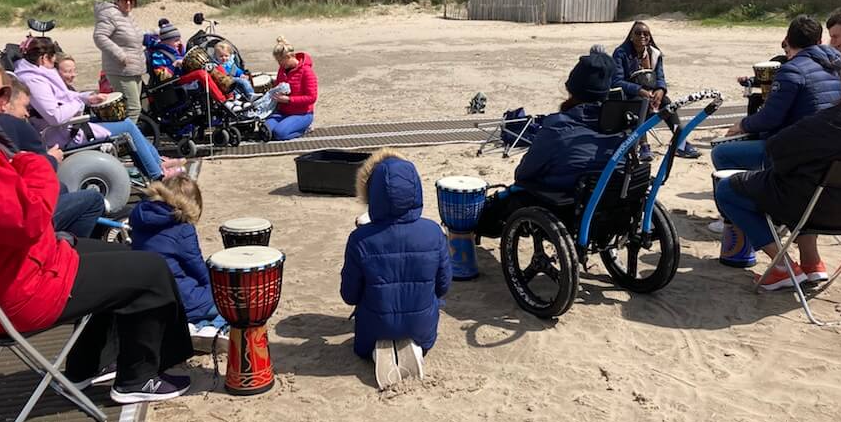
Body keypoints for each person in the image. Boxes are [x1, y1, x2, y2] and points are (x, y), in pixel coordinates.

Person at [0, 43, 193, 403]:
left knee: (121, 254)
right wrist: (37, 164)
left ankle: (86, 366)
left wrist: (21, 175)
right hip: (10, 293)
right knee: (151, 271)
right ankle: (136, 379)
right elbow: (29, 221)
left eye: (2, 93)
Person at [715, 40, 841, 290]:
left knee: (727, 189)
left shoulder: (840, 120)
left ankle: (782, 267)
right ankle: (812, 263)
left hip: (816, 210)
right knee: (810, 180)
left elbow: (777, 149)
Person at [477, 46, 626, 237]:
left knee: (514, 195)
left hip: (567, 206)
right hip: (613, 203)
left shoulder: (558, 126)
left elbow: (525, 172)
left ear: (573, 89)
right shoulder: (622, 124)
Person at [340, 150, 451, 389]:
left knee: (369, 323)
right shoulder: (433, 232)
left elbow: (349, 295)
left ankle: (377, 348)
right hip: (422, 328)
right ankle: (414, 343)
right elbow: (443, 287)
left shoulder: (359, 239)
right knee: (429, 304)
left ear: (373, 194)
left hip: (372, 329)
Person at [13, 37, 182, 180]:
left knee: (123, 121)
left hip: (67, 127)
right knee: (128, 126)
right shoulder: (34, 81)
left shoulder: (34, 75)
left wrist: (88, 98)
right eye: (52, 59)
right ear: (43, 59)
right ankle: (157, 174)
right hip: (61, 134)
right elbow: (54, 116)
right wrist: (80, 103)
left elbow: (65, 98)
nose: (53, 64)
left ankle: (157, 163)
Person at [713, 15, 841, 173]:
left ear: (788, 40)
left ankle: (755, 192)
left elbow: (770, 118)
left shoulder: (792, 70)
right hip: (830, 144)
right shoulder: (835, 64)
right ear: (819, 41)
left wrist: (742, 125)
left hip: (799, 149)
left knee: (721, 153)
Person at [0, 74, 105, 238]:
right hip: (24, 217)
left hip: (12, 207)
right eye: (25, 107)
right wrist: (52, 158)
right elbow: (44, 171)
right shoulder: (15, 125)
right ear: (5, 104)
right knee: (94, 199)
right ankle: (71, 247)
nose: (27, 114)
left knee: (62, 187)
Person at [129, 176, 226, 339]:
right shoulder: (182, 228)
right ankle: (208, 326)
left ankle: (195, 325)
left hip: (150, 296)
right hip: (177, 298)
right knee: (236, 301)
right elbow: (197, 267)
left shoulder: (140, 217)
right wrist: (218, 286)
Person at [612, 20, 699, 161]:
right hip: (630, 96)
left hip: (651, 92)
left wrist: (660, 90)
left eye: (646, 34)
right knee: (640, 103)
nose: (642, 36)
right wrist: (639, 90)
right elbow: (616, 81)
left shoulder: (654, 54)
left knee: (668, 104)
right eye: (638, 33)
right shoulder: (621, 53)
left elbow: (660, 76)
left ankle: (680, 142)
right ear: (631, 36)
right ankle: (643, 146)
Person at [93, 0, 145, 122]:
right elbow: (99, 36)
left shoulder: (128, 16)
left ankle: (126, 140)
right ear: (117, 0)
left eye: (131, 0)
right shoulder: (110, 15)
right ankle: (124, 141)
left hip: (134, 69)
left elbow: (134, 38)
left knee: (129, 109)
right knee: (134, 108)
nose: (128, 3)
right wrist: (120, 55)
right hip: (120, 69)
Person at [265, 36, 317, 141]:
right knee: (266, 130)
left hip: (302, 113)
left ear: (289, 57)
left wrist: (289, 100)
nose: (280, 64)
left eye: (281, 61)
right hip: (283, 112)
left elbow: (312, 97)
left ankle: (304, 129)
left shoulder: (306, 72)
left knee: (279, 134)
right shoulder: (282, 70)